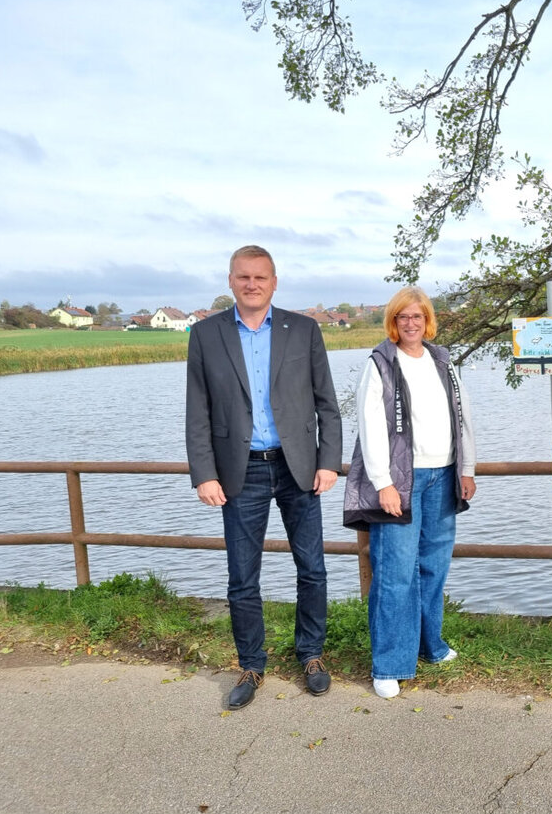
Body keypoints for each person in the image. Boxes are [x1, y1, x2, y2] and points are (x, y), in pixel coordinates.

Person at [186, 244, 342, 709]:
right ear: (230, 281)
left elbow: (326, 404)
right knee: (242, 577)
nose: (251, 284)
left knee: (312, 568)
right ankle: (251, 665)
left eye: (260, 277)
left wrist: (328, 461)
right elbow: (198, 413)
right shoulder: (205, 334)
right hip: (240, 471)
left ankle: (311, 654)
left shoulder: (304, 330)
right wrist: (204, 474)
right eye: (242, 277)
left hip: (299, 467)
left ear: (274, 282)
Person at [343, 286, 476, 699]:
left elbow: (462, 416)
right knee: (395, 573)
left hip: (443, 474)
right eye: (403, 317)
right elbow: (369, 426)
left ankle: (429, 646)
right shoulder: (380, 362)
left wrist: (466, 468)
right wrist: (383, 482)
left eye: (417, 317)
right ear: (393, 322)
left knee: (434, 566)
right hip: (401, 481)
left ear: (427, 320)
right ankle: (388, 664)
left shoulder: (442, 360)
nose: (411, 324)